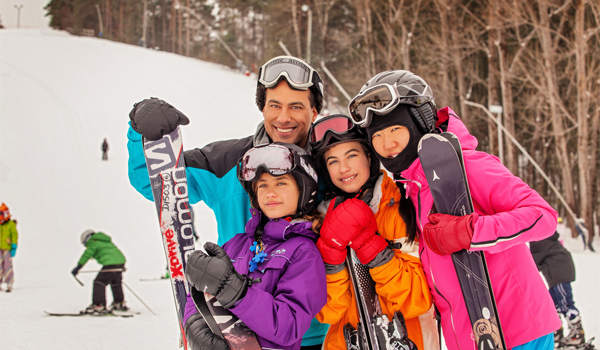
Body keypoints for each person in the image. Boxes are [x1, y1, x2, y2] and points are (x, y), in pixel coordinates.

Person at [349, 70, 560, 350]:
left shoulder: (469, 166)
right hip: (469, 338)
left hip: (518, 331)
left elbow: (542, 216)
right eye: (377, 136)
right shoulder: (411, 189)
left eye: (395, 130)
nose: (387, 145)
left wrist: (471, 232)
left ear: (420, 123)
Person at [127, 56, 329, 348]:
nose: (284, 117)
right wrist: (142, 132)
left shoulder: (335, 165)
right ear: (262, 108)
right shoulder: (227, 162)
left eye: (296, 106)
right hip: (237, 333)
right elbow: (156, 183)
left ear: (314, 110)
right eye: (275, 105)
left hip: (321, 336)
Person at [308, 115, 439, 350]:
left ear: (369, 156)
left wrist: (373, 248)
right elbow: (328, 312)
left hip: (410, 341)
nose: (344, 168)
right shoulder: (319, 222)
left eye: (352, 155)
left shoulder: (402, 205)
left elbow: (418, 299)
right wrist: (332, 257)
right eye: (333, 161)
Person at [182, 143, 327, 350]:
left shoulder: (304, 252)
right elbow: (198, 293)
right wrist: (195, 324)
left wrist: (236, 292)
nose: (270, 193)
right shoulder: (236, 244)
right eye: (263, 185)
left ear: (303, 190)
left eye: (281, 183)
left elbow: (289, 326)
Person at [530, 231, 587, 347]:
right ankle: (556, 332)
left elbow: (532, 262)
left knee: (565, 303)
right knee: (553, 305)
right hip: (556, 274)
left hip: (560, 274)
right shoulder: (546, 238)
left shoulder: (540, 240)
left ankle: (577, 334)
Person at [71, 229, 128, 314]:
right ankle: (119, 302)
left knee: (99, 282)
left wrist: (79, 266)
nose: (86, 246)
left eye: (85, 244)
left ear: (87, 238)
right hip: (120, 262)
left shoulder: (93, 241)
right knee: (115, 282)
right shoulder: (104, 241)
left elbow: (87, 254)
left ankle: (98, 305)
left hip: (110, 263)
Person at [0, 203, 18, 292]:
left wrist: (14, 245)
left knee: (7, 265)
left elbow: (14, 235)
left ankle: (9, 283)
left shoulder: (11, 224)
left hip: (7, 248)